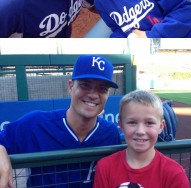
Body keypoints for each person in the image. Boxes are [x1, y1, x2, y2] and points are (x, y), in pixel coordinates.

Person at [0, 54, 121, 188]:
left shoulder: (110, 133)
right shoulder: (35, 124)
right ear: (71, 86)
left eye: (102, 89)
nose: (93, 95)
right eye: (85, 85)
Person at [93, 90, 190, 188]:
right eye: (132, 122)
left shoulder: (174, 174)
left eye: (149, 123)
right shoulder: (105, 167)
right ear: (121, 126)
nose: (140, 131)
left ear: (161, 126)